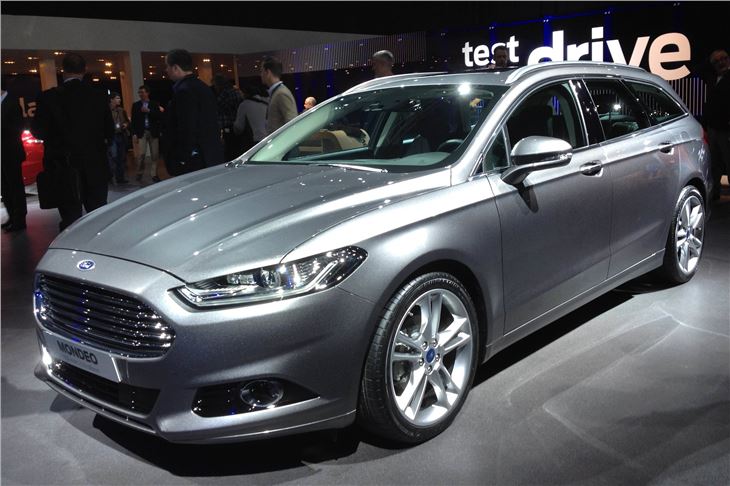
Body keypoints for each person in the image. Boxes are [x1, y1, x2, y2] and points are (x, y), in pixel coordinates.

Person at [31, 52, 114, 231]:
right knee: (98, 215)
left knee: (70, 217)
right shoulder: (98, 96)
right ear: (84, 70)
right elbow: (110, 131)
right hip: (94, 165)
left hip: (63, 166)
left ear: (63, 71)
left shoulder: (48, 97)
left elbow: (38, 131)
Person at [163, 49, 223, 176]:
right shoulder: (205, 88)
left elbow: (187, 127)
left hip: (193, 159)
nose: (166, 70)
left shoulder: (184, 91)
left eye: (167, 66)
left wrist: (182, 158)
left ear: (175, 68)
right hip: (210, 154)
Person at [1, 79, 27, 231]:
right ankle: (11, 215)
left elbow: (18, 127)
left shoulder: (12, 103)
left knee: (15, 186)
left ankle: (19, 219)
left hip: (11, 151)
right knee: (5, 187)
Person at [703, 49, 730, 200]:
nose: (721, 62)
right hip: (713, 128)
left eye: (723, 59)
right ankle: (715, 193)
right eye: (716, 61)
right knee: (714, 162)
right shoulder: (712, 78)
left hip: (726, 129)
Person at [131, 84, 162, 183]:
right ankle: (139, 173)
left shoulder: (154, 104)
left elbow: (159, 116)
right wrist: (134, 133)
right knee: (142, 154)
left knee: (155, 154)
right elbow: (133, 121)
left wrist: (148, 111)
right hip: (142, 132)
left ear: (147, 93)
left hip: (153, 131)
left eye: (142, 92)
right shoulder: (136, 105)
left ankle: (154, 174)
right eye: (139, 92)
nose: (140, 94)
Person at [260, 56, 297, 134]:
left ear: (268, 72)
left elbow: (292, 124)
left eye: (262, 71)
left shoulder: (281, 93)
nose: (261, 75)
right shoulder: (277, 92)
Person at [213, 74, 245, 161]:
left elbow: (216, 107)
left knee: (230, 151)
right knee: (238, 149)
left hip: (228, 127)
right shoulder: (237, 92)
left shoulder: (224, 94)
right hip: (239, 126)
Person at [233, 84, 269, 154]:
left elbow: (239, 127)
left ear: (246, 94)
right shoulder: (267, 101)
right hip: (271, 138)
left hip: (255, 141)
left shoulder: (244, 105)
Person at [108, 91, 130, 184]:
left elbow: (127, 121)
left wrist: (126, 124)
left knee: (121, 157)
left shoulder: (121, 110)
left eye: (119, 98)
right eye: (117, 98)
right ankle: (110, 177)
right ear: (111, 100)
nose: (119, 100)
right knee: (114, 157)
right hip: (112, 136)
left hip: (121, 135)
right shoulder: (107, 111)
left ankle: (120, 178)